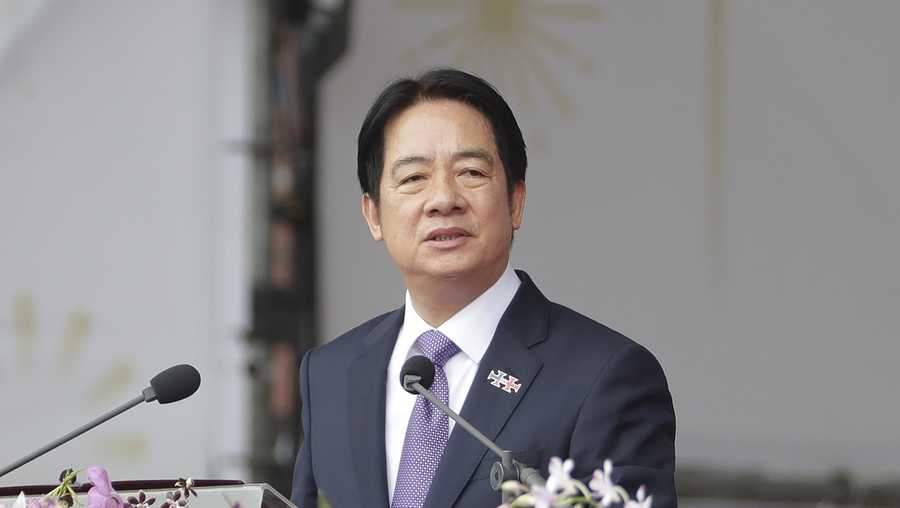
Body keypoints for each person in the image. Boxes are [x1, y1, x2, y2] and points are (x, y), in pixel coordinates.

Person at [291, 68, 676, 508]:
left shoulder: (606, 377)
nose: (443, 199)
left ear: (515, 201)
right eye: (413, 178)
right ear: (373, 215)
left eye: (471, 172)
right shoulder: (329, 374)